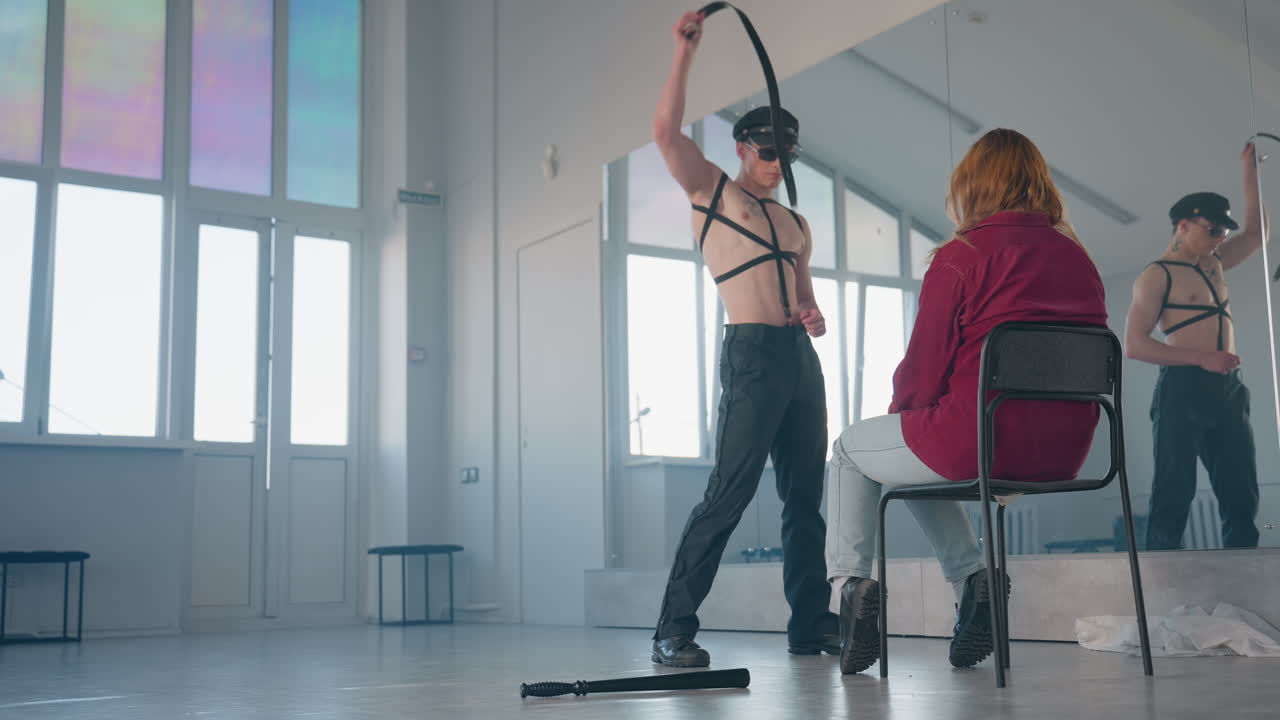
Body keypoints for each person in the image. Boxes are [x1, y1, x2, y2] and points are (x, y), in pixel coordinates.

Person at [825, 129, 1108, 674]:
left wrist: (902, 417)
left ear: (972, 187)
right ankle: (973, 583)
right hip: (1065, 449)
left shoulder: (964, 256)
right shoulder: (1080, 259)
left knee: (849, 450)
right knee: (915, 467)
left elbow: (922, 372)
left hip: (978, 438)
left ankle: (848, 588)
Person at [648, 9, 837, 667]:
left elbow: (805, 297)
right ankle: (673, 627)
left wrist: (814, 317)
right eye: (767, 152)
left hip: (798, 361)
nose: (777, 164)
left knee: (806, 501)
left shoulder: (796, 221)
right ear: (742, 147)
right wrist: (684, 53)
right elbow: (665, 132)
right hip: (751, 356)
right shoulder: (714, 193)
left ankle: (812, 626)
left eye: (786, 155)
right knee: (728, 492)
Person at [1124, 143, 1266, 550]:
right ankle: (1159, 588)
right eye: (1213, 230)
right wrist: (1201, 358)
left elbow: (1256, 234)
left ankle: (1245, 579)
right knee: (1174, 492)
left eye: (1223, 230)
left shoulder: (1215, 262)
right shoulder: (1156, 275)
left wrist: (1249, 173)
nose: (1221, 237)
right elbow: (1135, 345)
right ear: (1183, 226)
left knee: (1241, 493)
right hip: (1182, 389)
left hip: (1227, 390)